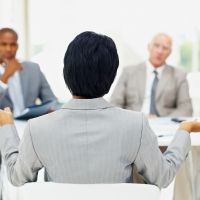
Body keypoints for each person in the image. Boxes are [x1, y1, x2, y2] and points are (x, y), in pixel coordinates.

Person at [0, 31, 199, 189]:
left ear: (66, 71)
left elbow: (17, 178)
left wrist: (7, 127)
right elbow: (162, 177)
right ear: (111, 76)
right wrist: (184, 130)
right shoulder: (135, 125)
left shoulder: (37, 128)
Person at [111, 33, 193, 117]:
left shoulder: (179, 76)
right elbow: (114, 103)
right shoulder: (129, 72)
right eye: (156, 45)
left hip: (164, 125)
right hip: (133, 123)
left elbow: (186, 109)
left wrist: (160, 120)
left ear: (170, 52)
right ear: (149, 47)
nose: (160, 51)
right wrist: (135, 119)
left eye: (165, 48)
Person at [0, 28, 56, 117]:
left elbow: (51, 100)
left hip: (30, 124)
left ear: (17, 46)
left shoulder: (33, 68)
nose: (8, 49)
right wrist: (5, 76)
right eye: (3, 44)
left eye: (13, 44)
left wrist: (51, 110)